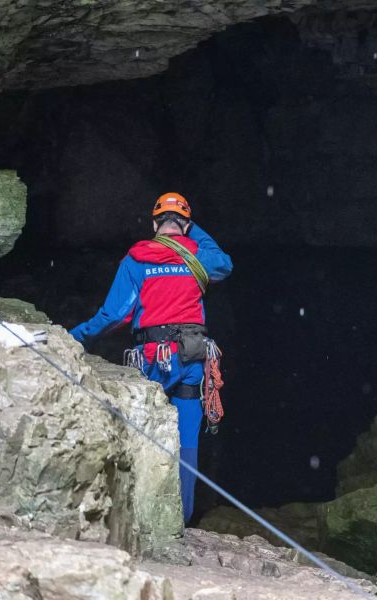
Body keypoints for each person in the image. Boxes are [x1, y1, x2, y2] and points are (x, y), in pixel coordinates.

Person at [69, 192, 233, 523]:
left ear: (154, 223)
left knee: (145, 435)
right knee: (187, 444)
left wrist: (74, 337)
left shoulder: (137, 260)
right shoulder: (199, 257)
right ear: (185, 226)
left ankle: (141, 516)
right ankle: (181, 519)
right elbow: (225, 263)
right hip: (193, 359)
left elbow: (113, 315)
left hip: (154, 360)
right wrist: (189, 227)